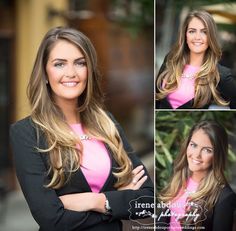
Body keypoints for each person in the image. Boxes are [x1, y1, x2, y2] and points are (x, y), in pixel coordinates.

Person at [10, 27, 154, 231]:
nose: (71, 73)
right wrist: (117, 202)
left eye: (80, 63)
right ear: (44, 73)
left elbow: (147, 202)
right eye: (59, 64)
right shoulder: (26, 132)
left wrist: (95, 201)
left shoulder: (107, 123)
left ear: (89, 70)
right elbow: (52, 219)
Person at [156, 121, 236, 230]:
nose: (197, 155)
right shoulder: (178, 176)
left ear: (218, 155)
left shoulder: (224, 197)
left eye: (207, 150)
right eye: (193, 145)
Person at [156, 10, 236, 109]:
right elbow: (156, 98)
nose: (197, 37)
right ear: (185, 35)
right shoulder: (171, 59)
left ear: (211, 37)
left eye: (204, 32)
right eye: (192, 31)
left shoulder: (221, 75)